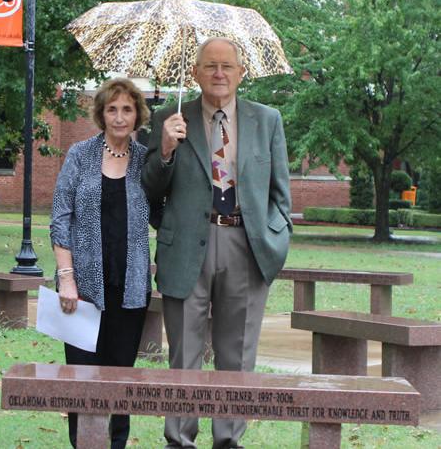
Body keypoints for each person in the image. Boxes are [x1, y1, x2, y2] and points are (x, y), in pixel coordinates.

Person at [142, 37, 292, 448]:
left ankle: (228, 441)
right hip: (188, 246)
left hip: (247, 245)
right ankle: (179, 440)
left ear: (242, 73)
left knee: (237, 354)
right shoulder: (168, 118)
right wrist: (167, 150)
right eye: (210, 66)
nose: (219, 74)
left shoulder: (267, 120)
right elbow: (149, 191)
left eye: (227, 66)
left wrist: (275, 241)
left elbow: (281, 194)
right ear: (195, 73)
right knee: (184, 354)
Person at [50, 78, 159, 449]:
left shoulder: (146, 160)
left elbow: (164, 209)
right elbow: (60, 217)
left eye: (127, 109)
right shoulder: (80, 155)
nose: (119, 117)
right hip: (81, 291)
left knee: (120, 380)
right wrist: (66, 278)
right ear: (101, 113)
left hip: (129, 290)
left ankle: (116, 445)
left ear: (138, 115)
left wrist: (171, 150)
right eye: (112, 109)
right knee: (81, 380)